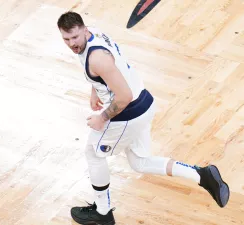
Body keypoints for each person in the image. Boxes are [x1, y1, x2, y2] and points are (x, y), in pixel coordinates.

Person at [57, 11, 230, 225]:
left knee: (93, 154)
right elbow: (112, 70)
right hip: (144, 102)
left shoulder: (97, 58)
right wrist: (96, 89)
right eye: (66, 39)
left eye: (75, 37)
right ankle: (203, 176)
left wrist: (102, 118)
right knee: (140, 162)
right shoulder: (94, 34)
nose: (72, 43)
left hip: (126, 112)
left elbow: (123, 96)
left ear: (84, 30)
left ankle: (102, 213)